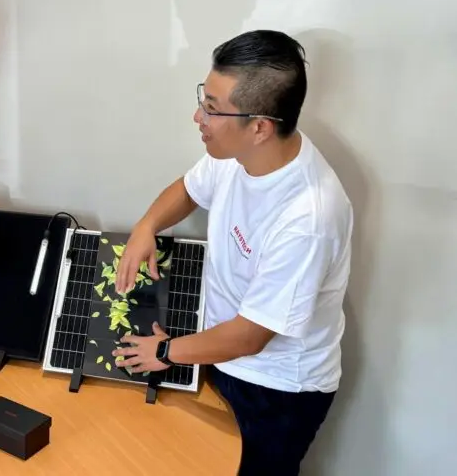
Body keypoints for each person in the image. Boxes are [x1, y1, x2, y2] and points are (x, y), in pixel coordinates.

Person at [112, 30, 352, 475]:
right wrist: (147, 225)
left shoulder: (309, 217)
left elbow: (251, 337)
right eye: (205, 98)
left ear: (260, 126)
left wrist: (164, 353)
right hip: (218, 352)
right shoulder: (233, 153)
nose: (197, 116)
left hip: (277, 389)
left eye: (212, 109)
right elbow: (188, 188)